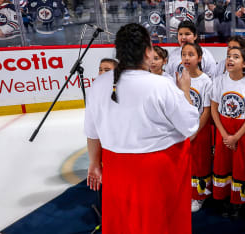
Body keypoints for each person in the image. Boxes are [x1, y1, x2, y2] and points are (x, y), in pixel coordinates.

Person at [84, 23, 199, 234]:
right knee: (159, 223)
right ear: (148, 52)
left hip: (116, 168)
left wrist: (94, 163)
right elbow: (190, 126)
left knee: (124, 222)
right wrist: (185, 91)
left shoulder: (99, 85)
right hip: (157, 172)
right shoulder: (160, 86)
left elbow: (92, 133)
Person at [211, 46, 245, 218]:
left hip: (242, 133)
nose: (230, 59)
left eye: (236, 57)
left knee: (241, 165)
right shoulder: (219, 81)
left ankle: (238, 202)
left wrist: (236, 137)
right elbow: (214, 109)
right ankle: (223, 197)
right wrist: (224, 135)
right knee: (223, 164)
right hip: (223, 129)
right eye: (228, 56)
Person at [180, 42, 213, 212]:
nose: (186, 58)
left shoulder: (205, 80)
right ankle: (187, 192)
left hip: (200, 129)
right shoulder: (179, 76)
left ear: (199, 58)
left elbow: (206, 111)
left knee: (200, 162)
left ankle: (200, 195)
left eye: (191, 54)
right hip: (184, 129)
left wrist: (195, 131)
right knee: (186, 162)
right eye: (184, 54)